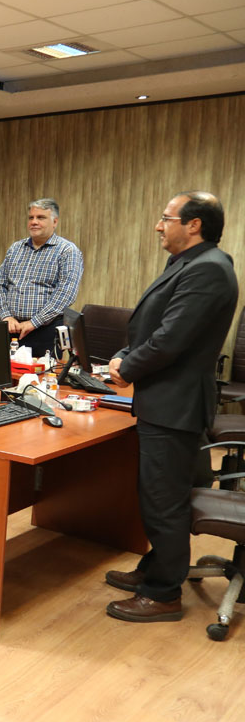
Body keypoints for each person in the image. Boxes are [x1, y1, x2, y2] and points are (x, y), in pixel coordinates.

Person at [104, 191, 238, 623]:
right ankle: (154, 569)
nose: (159, 226)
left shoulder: (209, 269)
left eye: (167, 218)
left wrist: (128, 369)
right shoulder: (188, 263)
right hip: (164, 398)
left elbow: (171, 339)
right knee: (157, 492)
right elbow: (154, 325)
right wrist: (124, 355)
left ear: (194, 224)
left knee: (164, 499)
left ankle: (163, 593)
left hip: (175, 404)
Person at [0, 198, 83, 356]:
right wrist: (6, 315)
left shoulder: (67, 251)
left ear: (54, 222)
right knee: (5, 372)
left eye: (41, 217)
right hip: (11, 329)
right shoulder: (15, 248)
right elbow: (1, 285)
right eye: (31, 218)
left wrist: (34, 322)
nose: (34, 222)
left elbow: (66, 294)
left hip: (45, 332)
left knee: (43, 373)